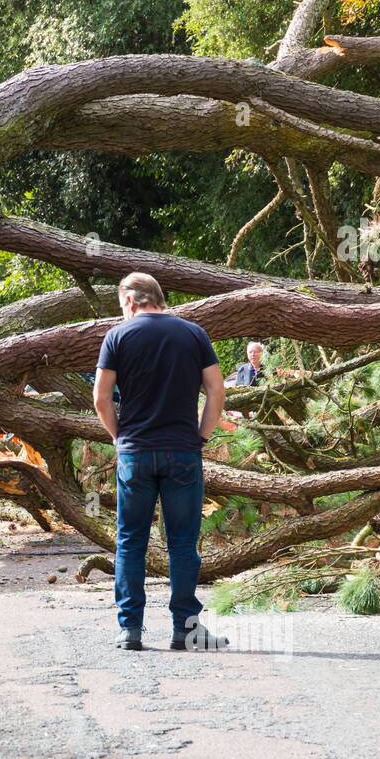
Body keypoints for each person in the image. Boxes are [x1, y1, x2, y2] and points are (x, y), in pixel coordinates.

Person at [94, 272, 228, 651]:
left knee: (130, 540)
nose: (123, 313)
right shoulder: (193, 334)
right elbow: (216, 389)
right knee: (183, 542)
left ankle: (130, 629)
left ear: (132, 301)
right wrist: (202, 434)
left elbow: (101, 398)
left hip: (135, 453)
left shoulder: (117, 337)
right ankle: (185, 629)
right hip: (183, 451)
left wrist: (120, 437)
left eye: (123, 306)